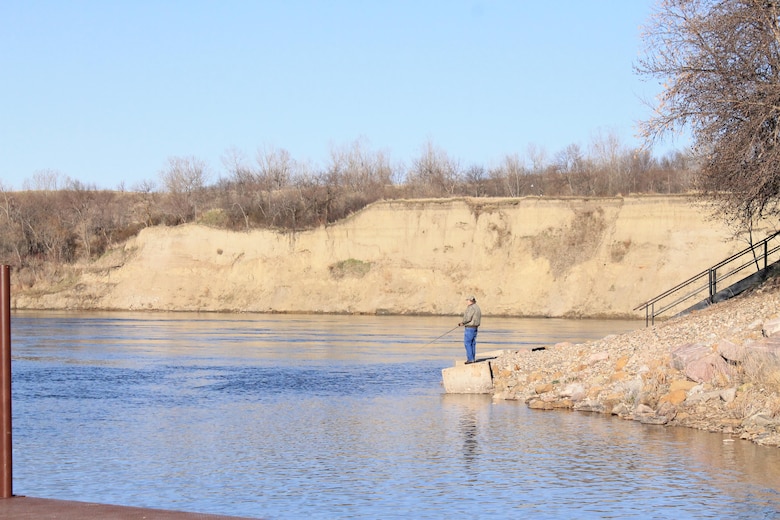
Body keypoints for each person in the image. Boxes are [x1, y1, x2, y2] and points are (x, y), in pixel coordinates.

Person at [458, 295, 481, 364]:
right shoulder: (477, 307)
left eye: (467, 300)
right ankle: (472, 359)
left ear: (471, 301)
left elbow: (468, 318)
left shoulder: (471, 308)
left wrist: (462, 323)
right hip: (475, 327)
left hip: (470, 327)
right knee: (472, 343)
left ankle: (470, 359)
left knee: (467, 343)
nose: (467, 302)